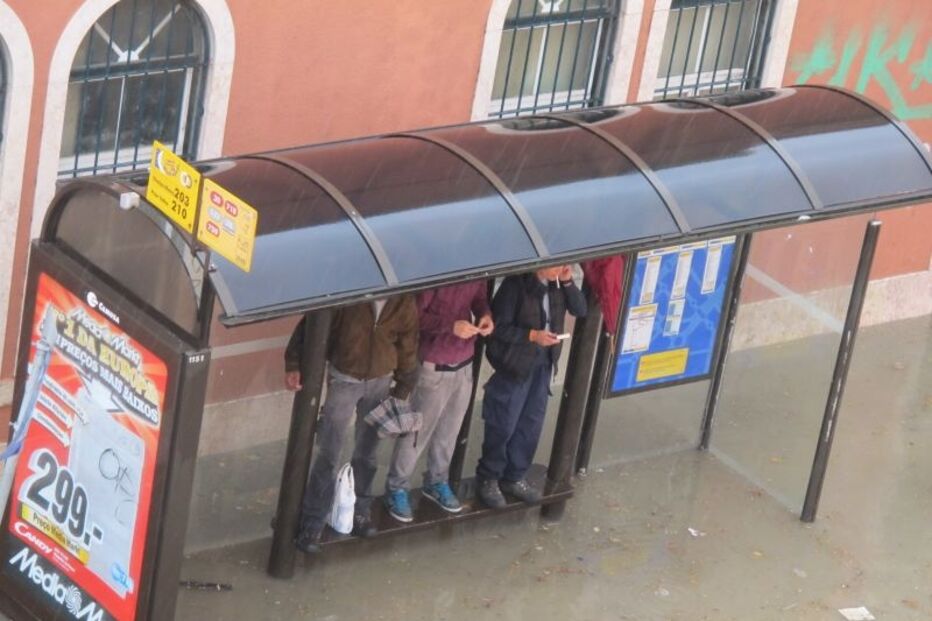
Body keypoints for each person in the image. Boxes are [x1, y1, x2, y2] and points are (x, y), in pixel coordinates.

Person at [285, 296, 418, 553]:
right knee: (328, 453)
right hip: (344, 378)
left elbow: (408, 340)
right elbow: (311, 325)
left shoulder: (402, 299)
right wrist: (293, 363)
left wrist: (403, 386)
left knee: (367, 453)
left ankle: (360, 510)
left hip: (381, 379)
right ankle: (313, 521)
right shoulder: (352, 291)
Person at [476, 265, 586, 508]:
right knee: (503, 423)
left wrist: (568, 282)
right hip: (515, 365)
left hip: (543, 365)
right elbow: (498, 328)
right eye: (558, 264)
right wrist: (531, 336)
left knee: (530, 424)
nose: (562, 268)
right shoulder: (516, 286)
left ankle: (514, 476)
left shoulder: (557, 286)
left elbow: (580, 308)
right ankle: (489, 477)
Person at [384, 282, 493, 522]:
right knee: (417, 433)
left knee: (449, 431)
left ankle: (436, 481)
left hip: (464, 362)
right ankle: (396, 488)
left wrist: (485, 315)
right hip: (433, 363)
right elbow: (413, 317)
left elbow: (480, 299)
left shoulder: (475, 267)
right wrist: (450, 326)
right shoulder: (437, 271)